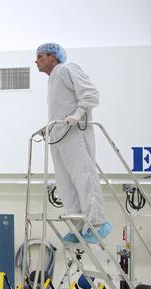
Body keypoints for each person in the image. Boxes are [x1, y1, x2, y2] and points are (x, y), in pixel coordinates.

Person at [35, 43, 111, 244]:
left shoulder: (67, 69)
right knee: (65, 183)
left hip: (74, 133)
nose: (36, 61)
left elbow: (90, 94)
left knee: (84, 176)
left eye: (40, 56)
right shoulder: (52, 80)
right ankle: (77, 226)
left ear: (53, 57)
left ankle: (97, 223)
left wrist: (77, 115)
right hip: (58, 135)